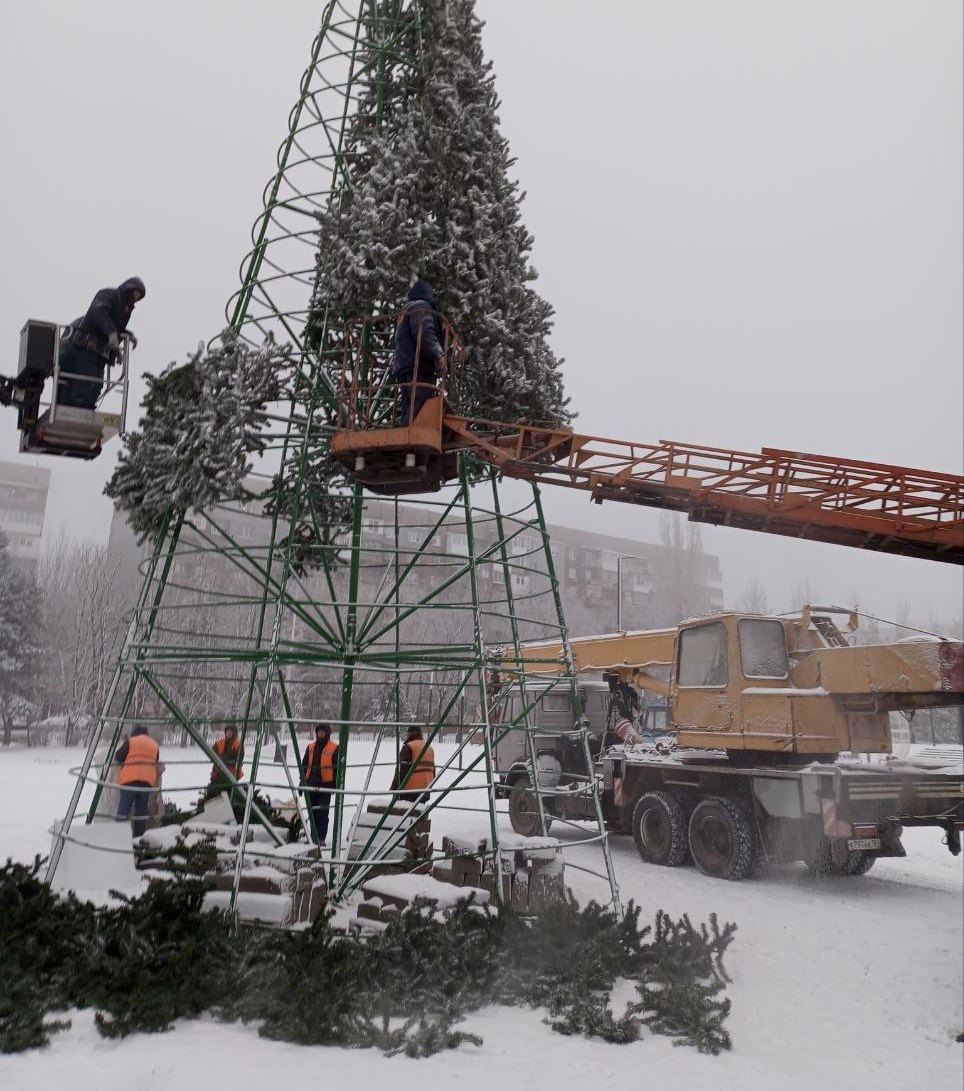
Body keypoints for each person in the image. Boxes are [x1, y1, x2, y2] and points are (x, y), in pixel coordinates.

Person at [58, 277, 146, 409]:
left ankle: (88, 407)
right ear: (129, 288)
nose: (136, 297)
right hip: (87, 344)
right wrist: (111, 333)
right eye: (136, 293)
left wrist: (123, 342)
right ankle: (78, 406)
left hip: (102, 351)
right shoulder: (109, 294)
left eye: (139, 296)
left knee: (97, 384)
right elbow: (98, 311)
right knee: (86, 379)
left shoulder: (126, 310)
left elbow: (117, 329)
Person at [391, 279, 444, 425]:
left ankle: (406, 434)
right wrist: (437, 354)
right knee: (419, 407)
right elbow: (424, 333)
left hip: (406, 367)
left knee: (410, 406)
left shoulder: (407, 310)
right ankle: (411, 436)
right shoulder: (421, 307)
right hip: (418, 368)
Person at [114, 723, 160, 838]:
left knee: (124, 809)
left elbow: (118, 756)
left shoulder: (131, 741)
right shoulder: (154, 744)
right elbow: (156, 759)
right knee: (141, 811)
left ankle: (118, 835)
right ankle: (138, 838)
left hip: (129, 779)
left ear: (134, 733)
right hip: (147, 781)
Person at [302, 722, 338, 845]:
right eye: (319, 731)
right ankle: (313, 837)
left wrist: (335, 785)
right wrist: (302, 783)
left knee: (322, 813)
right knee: (312, 812)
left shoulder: (334, 748)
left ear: (327, 733)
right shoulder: (310, 747)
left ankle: (321, 838)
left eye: (323, 731)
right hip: (310, 784)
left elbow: (337, 768)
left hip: (325, 786)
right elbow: (304, 766)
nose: (321, 733)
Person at [390, 725, 436, 804]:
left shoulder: (408, 746)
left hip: (410, 789)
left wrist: (395, 788)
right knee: (417, 811)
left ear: (410, 734)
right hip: (426, 787)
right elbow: (433, 770)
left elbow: (402, 770)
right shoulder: (429, 747)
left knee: (404, 813)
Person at [207, 723, 245, 801]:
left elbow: (239, 759)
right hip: (218, 773)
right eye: (227, 732)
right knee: (213, 790)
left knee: (228, 791)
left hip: (231, 773)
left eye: (230, 732)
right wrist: (218, 759)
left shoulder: (238, 745)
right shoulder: (219, 743)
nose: (228, 734)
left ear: (234, 733)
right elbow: (211, 752)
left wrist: (224, 760)